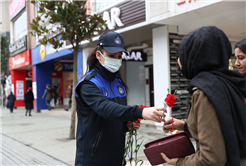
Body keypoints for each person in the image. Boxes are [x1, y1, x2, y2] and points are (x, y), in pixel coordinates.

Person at [75, 31, 166, 166]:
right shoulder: (88, 84)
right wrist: (140, 112)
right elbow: (105, 108)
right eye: (111, 56)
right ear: (98, 55)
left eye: (119, 56)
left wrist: (126, 125)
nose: (116, 60)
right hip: (93, 159)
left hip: (117, 158)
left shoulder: (118, 83)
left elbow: (115, 115)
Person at [161, 26, 246, 166]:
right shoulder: (233, 82)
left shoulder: (205, 91)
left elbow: (211, 158)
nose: (179, 61)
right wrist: (185, 126)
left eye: (183, 54)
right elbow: (226, 126)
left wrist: (180, 162)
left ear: (195, 56)